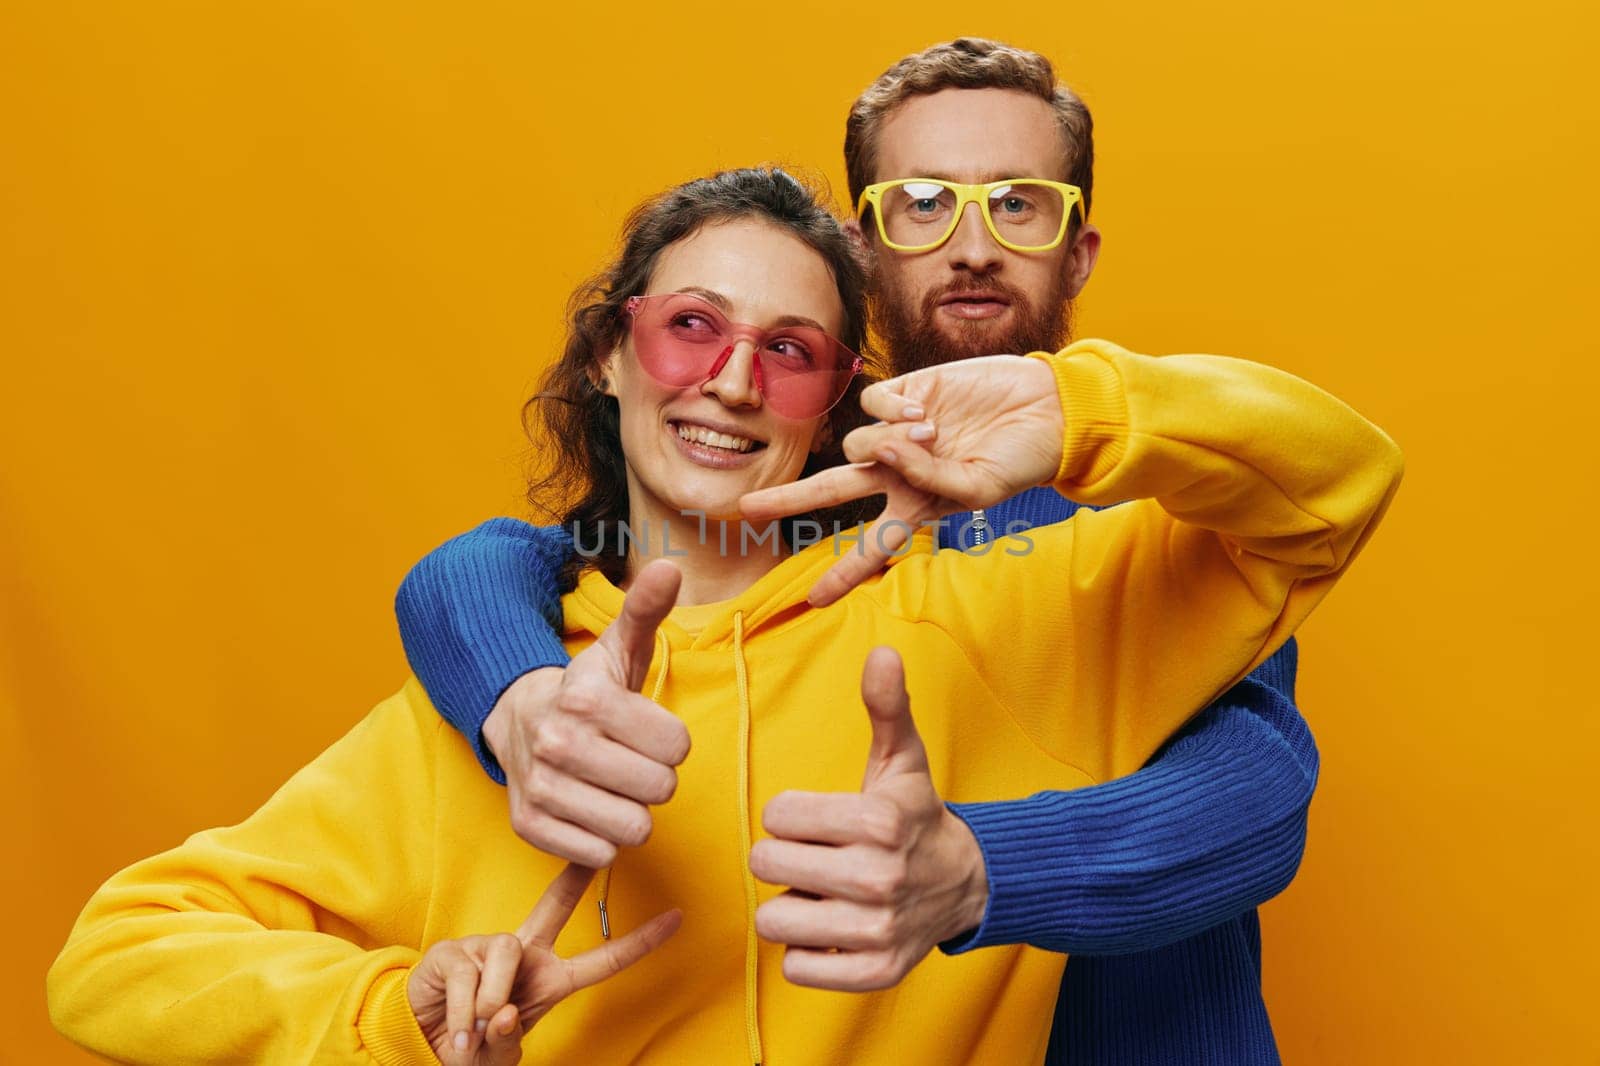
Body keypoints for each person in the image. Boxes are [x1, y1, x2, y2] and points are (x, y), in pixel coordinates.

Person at [48, 167, 1401, 1064]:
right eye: (692, 324)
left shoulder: (998, 617)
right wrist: (391, 1008)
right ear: (611, 351)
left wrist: (1079, 408)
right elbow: (112, 957)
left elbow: (1336, 481)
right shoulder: (512, 710)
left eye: (792, 349)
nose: (734, 381)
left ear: (838, 397)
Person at [397, 38, 1320, 1062]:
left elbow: (1259, 788)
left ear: (1079, 249)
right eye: (923, 203)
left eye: (1016, 203)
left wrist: (975, 869)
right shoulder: (797, 486)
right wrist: (514, 691)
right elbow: (526, 560)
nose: (971, 246)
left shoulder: (1159, 507)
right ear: (863, 243)